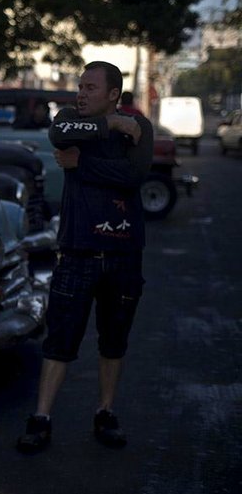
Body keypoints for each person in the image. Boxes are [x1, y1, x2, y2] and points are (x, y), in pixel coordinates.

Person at [17, 61, 153, 453]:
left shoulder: (140, 128)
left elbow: (133, 176)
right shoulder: (69, 120)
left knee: (114, 340)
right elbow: (58, 134)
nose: (81, 93)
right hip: (77, 251)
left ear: (114, 94)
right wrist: (110, 126)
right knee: (59, 339)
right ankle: (41, 418)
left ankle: (105, 413)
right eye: (80, 86)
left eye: (91, 88)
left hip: (124, 254)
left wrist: (83, 163)